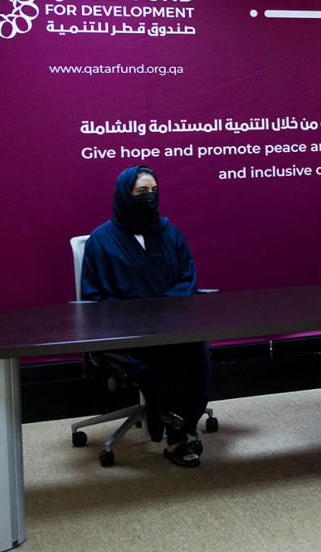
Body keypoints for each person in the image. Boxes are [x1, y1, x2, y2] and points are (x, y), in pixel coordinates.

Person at [80, 165, 211, 468]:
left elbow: (187, 279)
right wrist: (141, 317)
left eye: (154, 191)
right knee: (168, 352)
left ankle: (176, 420)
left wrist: (163, 311)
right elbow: (94, 298)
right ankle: (175, 427)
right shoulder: (101, 241)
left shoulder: (170, 233)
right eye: (141, 192)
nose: (149, 197)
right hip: (126, 330)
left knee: (193, 344)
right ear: (126, 196)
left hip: (171, 326)